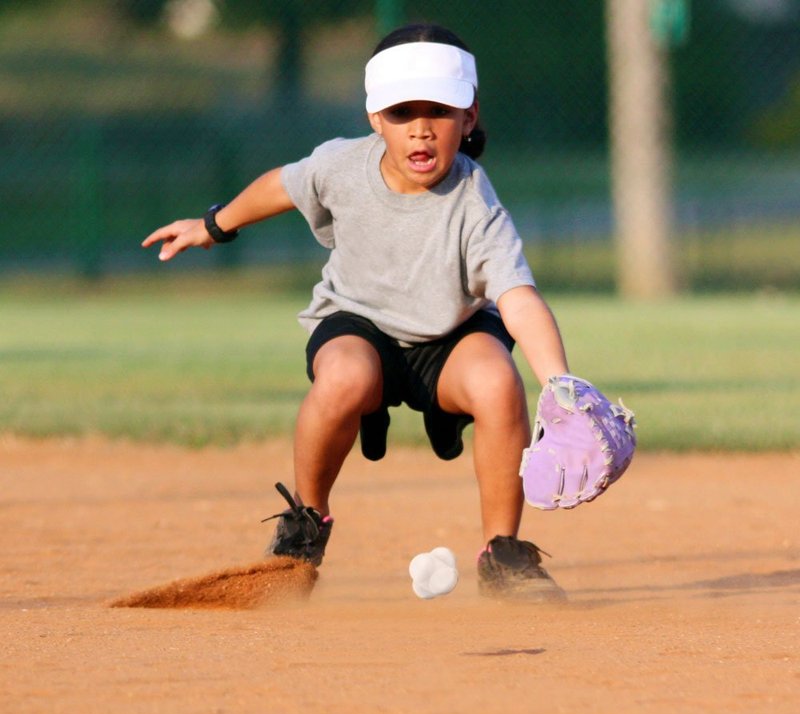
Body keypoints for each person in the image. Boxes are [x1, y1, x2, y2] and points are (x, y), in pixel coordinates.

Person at [142, 23, 571, 602]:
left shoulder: (475, 201)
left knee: (498, 380)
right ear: (375, 117)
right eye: (401, 111)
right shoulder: (342, 166)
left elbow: (517, 295)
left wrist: (560, 386)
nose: (420, 127)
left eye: (439, 110)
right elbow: (282, 186)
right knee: (344, 376)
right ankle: (304, 528)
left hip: (450, 334)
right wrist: (214, 226)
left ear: (469, 117)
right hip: (359, 323)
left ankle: (503, 554)